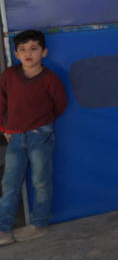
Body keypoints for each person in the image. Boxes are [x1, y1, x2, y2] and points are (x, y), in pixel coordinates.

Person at [0, 29, 67, 246]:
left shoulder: (50, 79)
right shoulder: (9, 76)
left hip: (41, 136)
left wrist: (41, 124)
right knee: (10, 183)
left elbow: (60, 105)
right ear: (16, 54)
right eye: (22, 50)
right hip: (15, 138)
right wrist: (5, 128)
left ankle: (38, 224)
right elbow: (1, 104)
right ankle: (3, 229)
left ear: (43, 52)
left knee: (40, 181)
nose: (28, 53)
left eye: (34, 49)